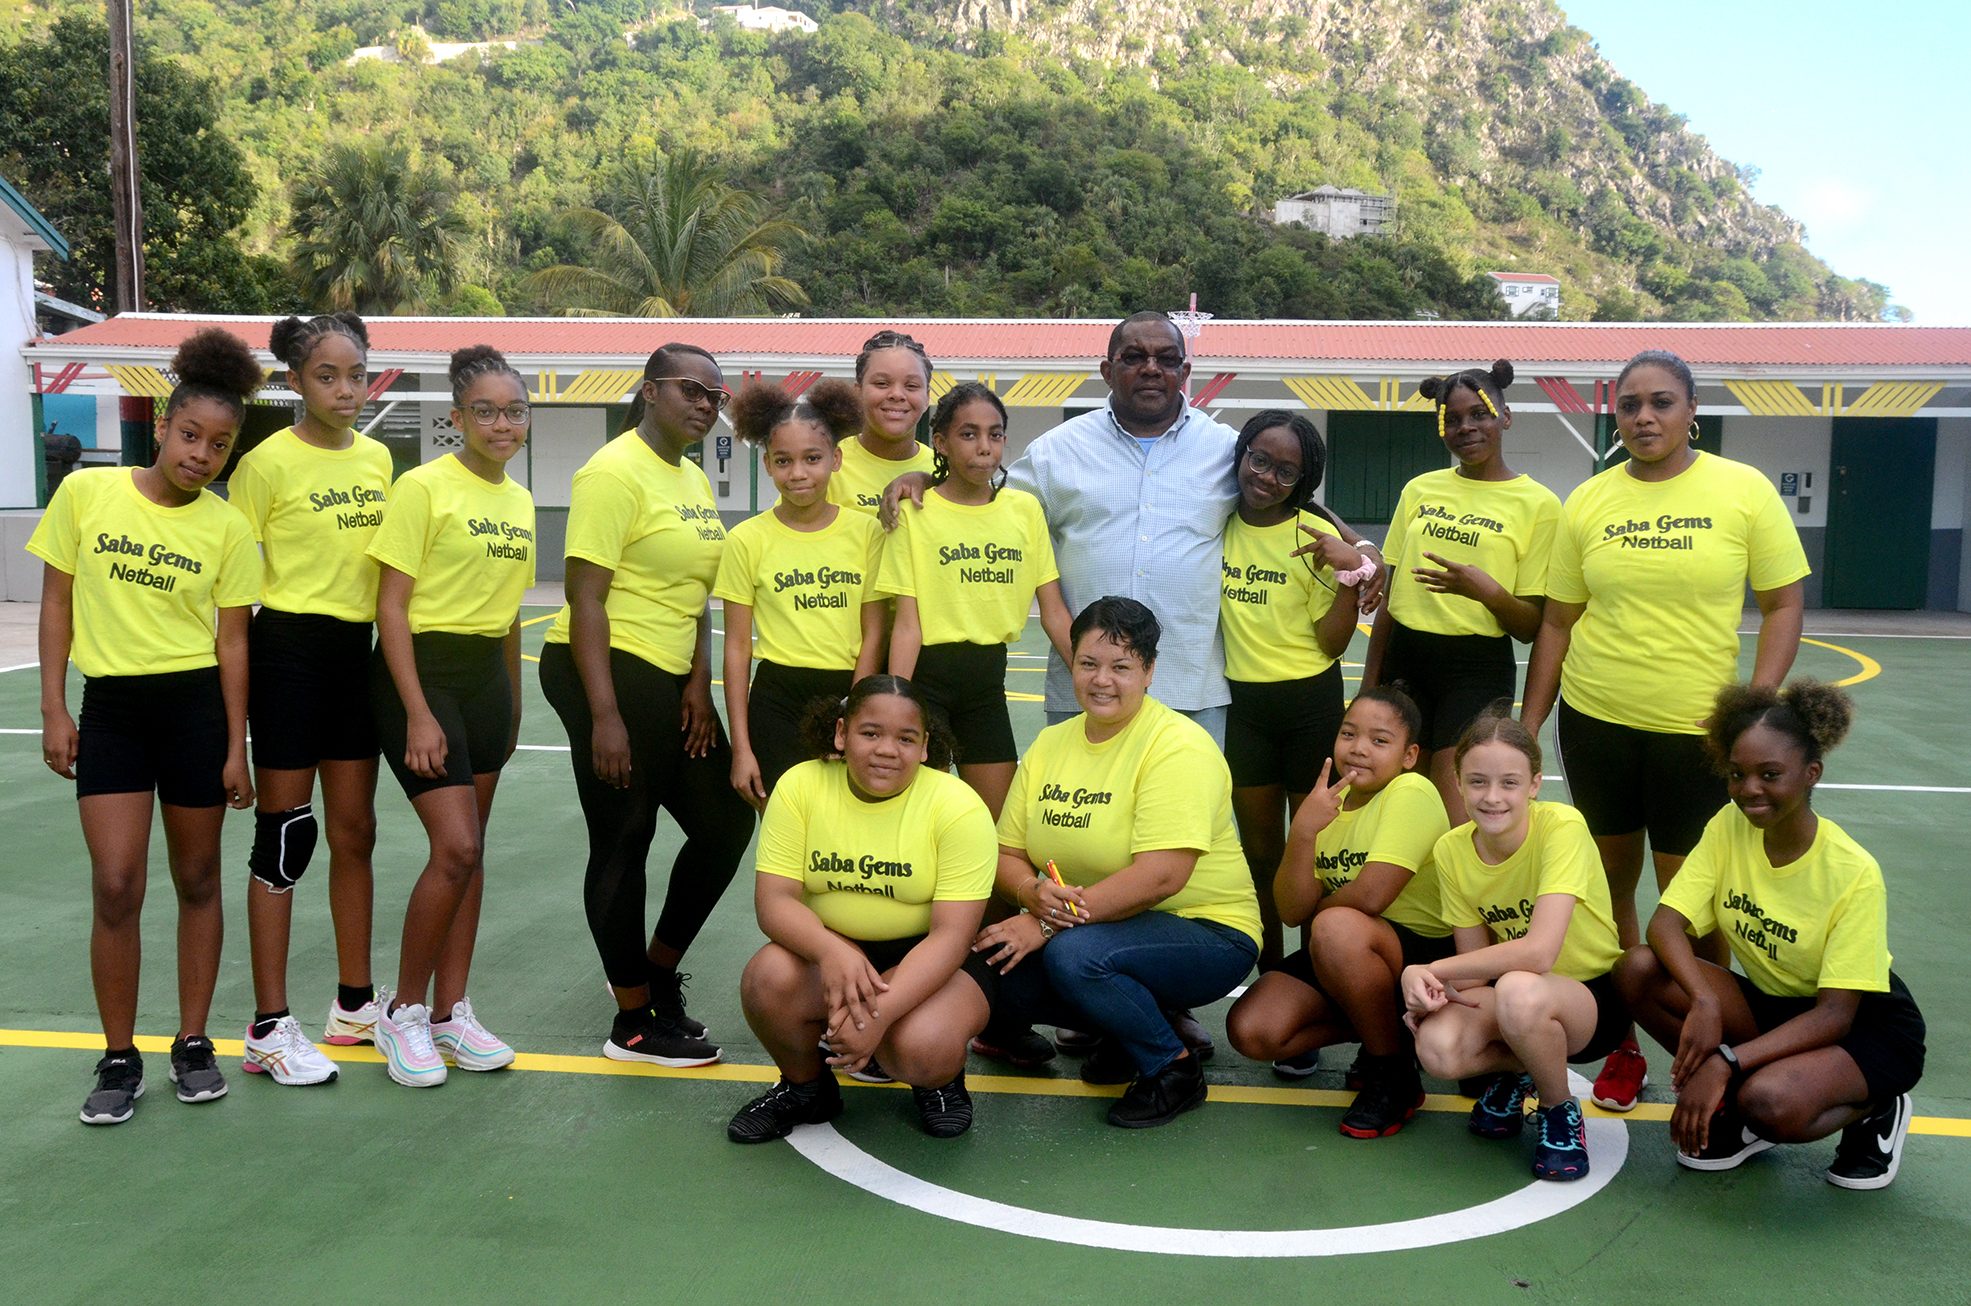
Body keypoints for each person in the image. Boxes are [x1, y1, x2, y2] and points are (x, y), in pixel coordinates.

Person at [1521, 348, 1808, 1114]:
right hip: (1597, 724)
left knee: (1692, 906)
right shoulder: (1587, 501)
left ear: (1690, 411)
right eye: (1628, 405)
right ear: (1613, 416)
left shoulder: (1741, 491)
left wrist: (1755, 703)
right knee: (1612, 898)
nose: (1643, 417)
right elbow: (1556, 620)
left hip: (1699, 737)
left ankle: (1708, 1045)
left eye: (1660, 402)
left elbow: (1783, 603)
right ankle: (1622, 1045)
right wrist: (1527, 724)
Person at [30, 328, 264, 1124]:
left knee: (198, 880)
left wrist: (236, 746)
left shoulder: (228, 530)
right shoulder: (87, 496)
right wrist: (55, 706)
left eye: (220, 445)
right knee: (116, 883)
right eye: (191, 435)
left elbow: (234, 643)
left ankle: (193, 1044)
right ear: (163, 425)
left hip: (196, 711)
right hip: (116, 712)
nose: (202, 455)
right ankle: (118, 1056)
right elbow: (57, 601)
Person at [1614, 681, 1925, 1189]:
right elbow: (1665, 923)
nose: (1749, 789)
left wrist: (1725, 1063)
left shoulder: (1852, 872)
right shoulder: (1729, 826)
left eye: (1770, 774)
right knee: (1638, 969)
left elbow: (1834, 1014)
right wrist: (1703, 1001)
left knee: (1770, 1103)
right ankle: (1734, 1108)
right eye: (1737, 774)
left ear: (1811, 774)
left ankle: (1875, 1106)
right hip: (1774, 1002)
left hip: (1860, 1026)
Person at [540, 344, 757, 1067]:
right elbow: (585, 598)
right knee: (625, 832)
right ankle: (632, 1023)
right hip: (604, 666)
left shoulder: (691, 477)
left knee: (723, 821)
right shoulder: (611, 472)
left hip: (667, 673)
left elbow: (695, 593)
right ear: (650, 391)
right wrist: (604, 717)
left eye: (716, 396)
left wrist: (696, 683)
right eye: (692, 390)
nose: (706, 404)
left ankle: (656, 972)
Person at [975, 598, 1261, 1128]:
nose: (1102, 680)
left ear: (1149, 672)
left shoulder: (1177, 746)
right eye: (1088, 664)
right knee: (994, 966)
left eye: (1122, 666)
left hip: (1205, 930)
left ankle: (1171, 1069)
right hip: (1101, 925)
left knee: (1075, 956)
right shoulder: (1050, 744)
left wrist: (1043, 921)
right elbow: (1006, 853)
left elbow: (1161, 877)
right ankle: (1126, 1033)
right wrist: (1028, 894)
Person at [726, 676, 998, 1143]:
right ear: (840, 734)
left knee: (922, 1045)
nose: (887, 750)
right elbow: (774, 902)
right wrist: (831, 952)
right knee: (767, 978)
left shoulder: (957, 806)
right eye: (870, 733)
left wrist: (880, 1014)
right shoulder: (800, 786)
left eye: (905, 738)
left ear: (925, 747)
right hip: (837, 947)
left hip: (931, 955)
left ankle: (940, 1083)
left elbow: (952, 935)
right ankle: (805, 1088)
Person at [228, 312, 391, 1086]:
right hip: (287, 652)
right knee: (287, 841)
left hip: (354, 659)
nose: (345, 389)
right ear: (294, 382)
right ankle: (268, 1025)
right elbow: (233, 583)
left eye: (355, 374)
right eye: (327, 376)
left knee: (355, 832)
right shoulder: (265, 466)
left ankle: (355, 1006)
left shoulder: (380, 461)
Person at [366, 345, 535, 1088]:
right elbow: (391, 608)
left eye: (515, 411)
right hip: (422, 677)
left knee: (475, 853)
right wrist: (415, 713)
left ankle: (450, 1012)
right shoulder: (423, 489)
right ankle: (400, 1014)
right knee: (455, 849)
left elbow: (506, 620)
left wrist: (514, 703)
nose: (502, 424)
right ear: (458, 418)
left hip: (485, 685)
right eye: (487, 412)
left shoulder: (520, 501)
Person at [1403, 710, 1628, 1182]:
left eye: (1509, 782)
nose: (1492, 796)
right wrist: (1424, 985)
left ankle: (1558, 1108)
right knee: (1438, 1048)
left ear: (1533, 785)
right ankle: (1524, 1069)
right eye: (1478, 781)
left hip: (1590, 1000)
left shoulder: (1561, 827)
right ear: (1459, 784)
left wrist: (1433, 966)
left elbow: (1541, 952)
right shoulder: (1451, 850)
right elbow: (1474, 977)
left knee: (1520, 989)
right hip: (1515, 998)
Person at [1225, 688, 1452, 1135]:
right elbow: (1291, 910)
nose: (1359, 748)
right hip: (1355, 953)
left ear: (1409, 756)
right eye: (1349, 734)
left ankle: (1393, 1074)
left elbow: (1371, 896)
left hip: (1424, 956)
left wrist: (1321, 915)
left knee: (1333, 925)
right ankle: (1384, 1030)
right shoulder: (1327, 806)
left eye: (1379, 740)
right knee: (1253, 1030)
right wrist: (1305, 832)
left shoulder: (1412, 791)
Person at [1363, 360, 1560, 824]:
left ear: (1505, 417)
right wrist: (1370, 688)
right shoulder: (1419, 489)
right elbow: (1389, 600)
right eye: (1452, 419)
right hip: (1406, 660)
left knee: (1460, 815)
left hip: (1474, 669)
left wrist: (1486, 591)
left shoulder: (1539, 505)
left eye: (1480, 414)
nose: (1466, 427)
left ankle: (1464, 896)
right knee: (1399, 810)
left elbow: (1532, 627)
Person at [880, 381, 1072, 819]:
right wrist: (898, 703)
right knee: (921, 819)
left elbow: (1054, 612)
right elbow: (907, 624)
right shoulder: (915, 512)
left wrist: (1093, 680)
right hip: (925, 679)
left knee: (1001, 827)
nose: (984, 446)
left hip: (986, 685)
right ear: (941, 443)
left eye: (995, 434)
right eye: (968, 434)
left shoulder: (1024, 511)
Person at [1217, 410, 1367, 972]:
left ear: (1302, 481)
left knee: (1312, 849)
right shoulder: (1217, 519)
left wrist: (1351, 578)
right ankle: (1271, 973)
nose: (1267, 477)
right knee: (1260, 853)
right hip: (1244, 709)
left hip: (1310, 705)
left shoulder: (1314, 535)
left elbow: (1331, 644)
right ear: (1241, 454)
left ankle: (1313, 971)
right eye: (1259, 459)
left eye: (1286, 471)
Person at [717, 379, 885, 805]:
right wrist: (742, 748)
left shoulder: (866, 534)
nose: (798, 473)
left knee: (845, 828)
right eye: (783, 460)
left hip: (848, 694)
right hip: (777, 702)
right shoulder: (746, 539)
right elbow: (736, 649)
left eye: (812, 458)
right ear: (768, 465)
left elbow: (873, 634)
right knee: (784, 834)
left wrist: (856, 711)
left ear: (836, 459)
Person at [830, 329, 937, 514]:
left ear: (927, 397)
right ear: (857, 392)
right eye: (881, 383)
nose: (896, 394)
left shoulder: (944, 471)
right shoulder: (827, 466)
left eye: (911, 386)